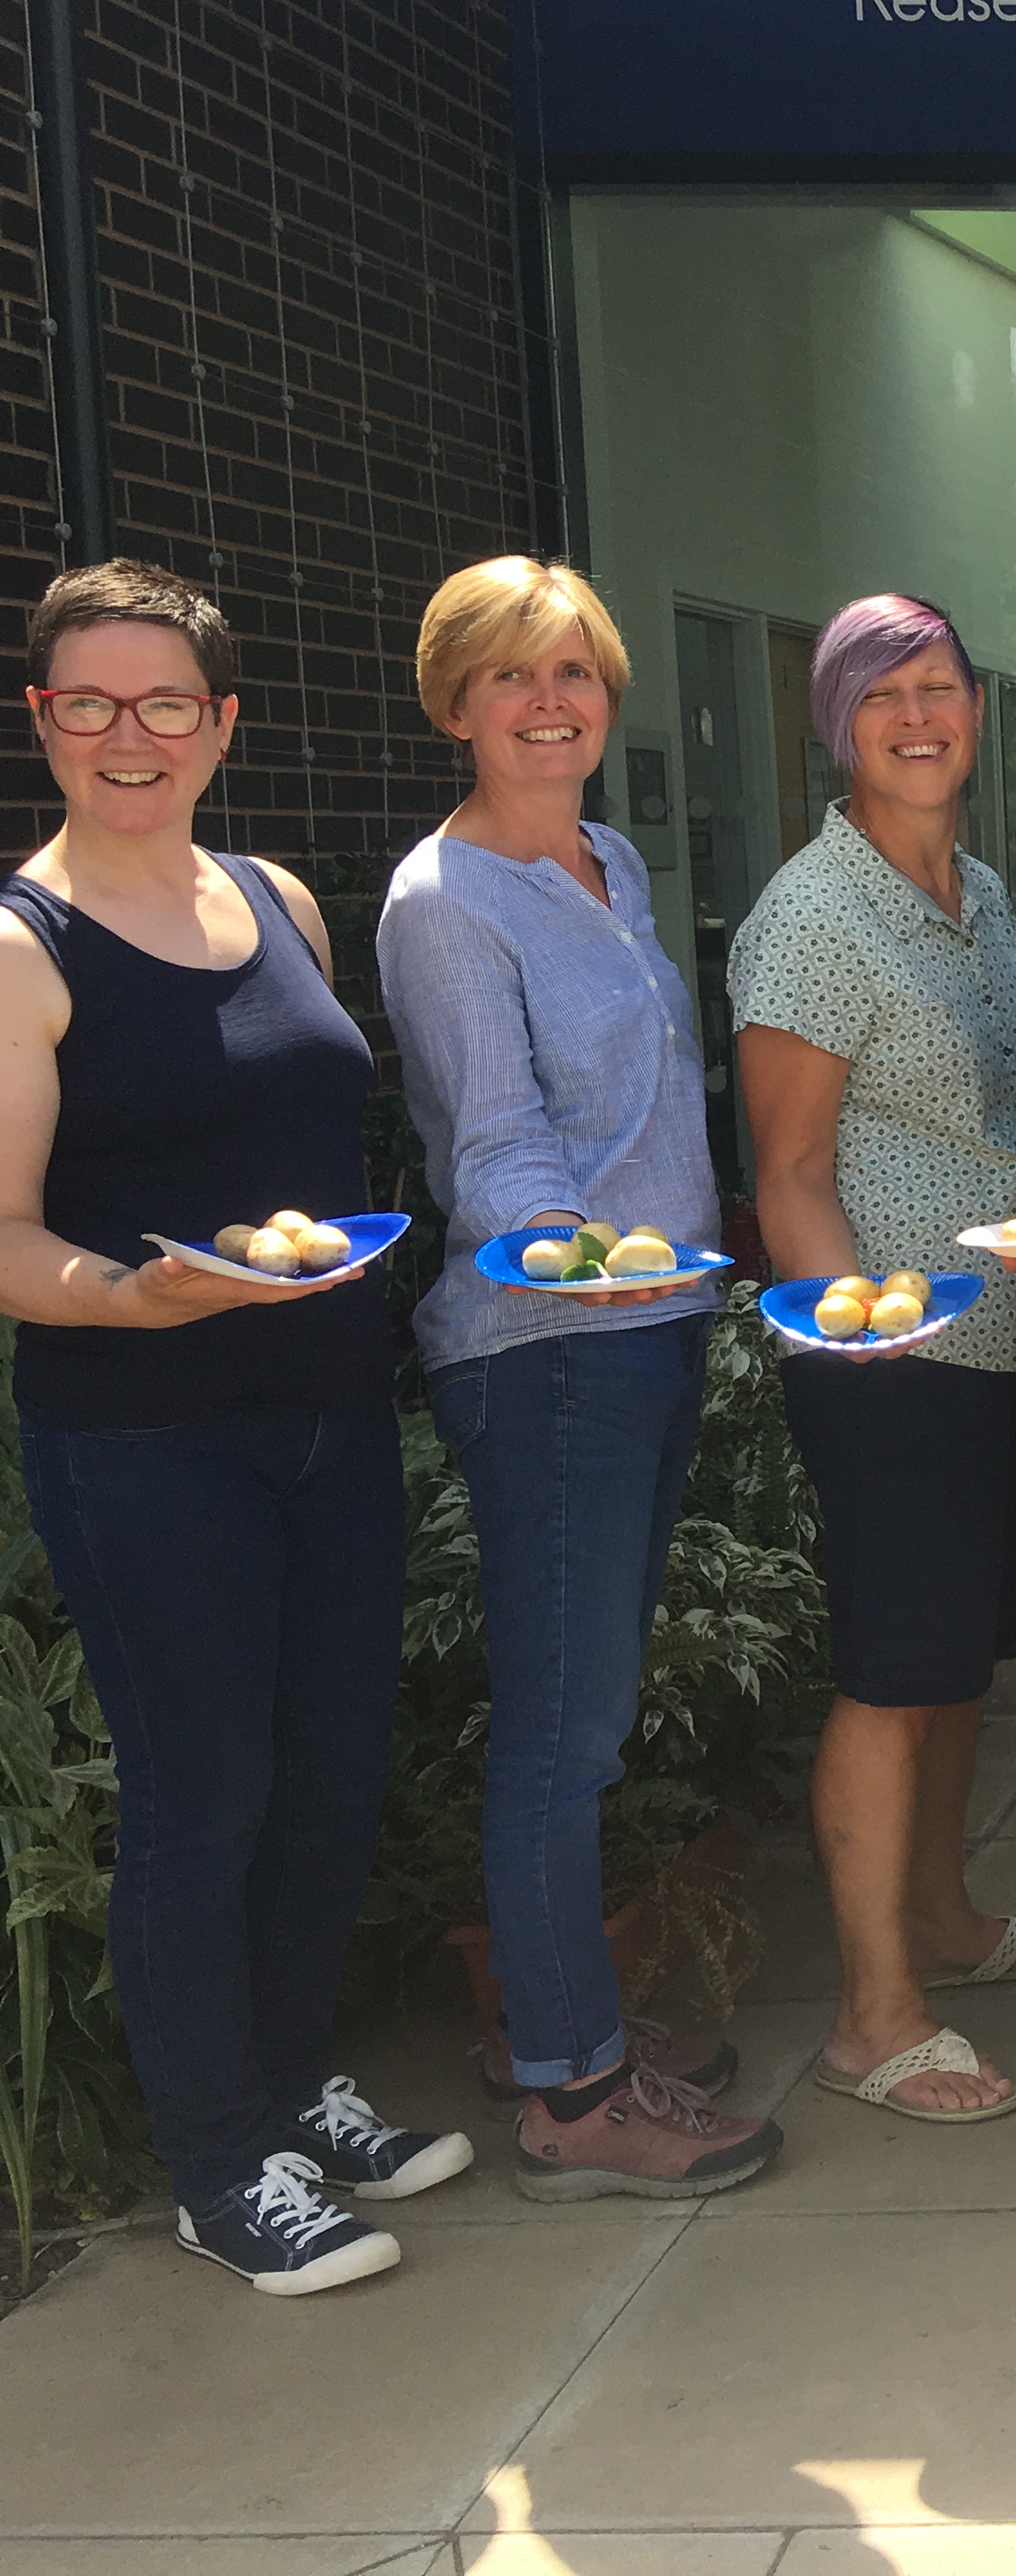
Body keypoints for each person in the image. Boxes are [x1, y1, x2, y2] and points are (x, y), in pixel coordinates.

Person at [0, 562, 464, 2295]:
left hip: (326, 1411)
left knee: (332, 1773)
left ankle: (286, 2089)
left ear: (222, 724)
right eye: (90, 703)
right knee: (204, 1797)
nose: (129, 736)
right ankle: (218, 2166)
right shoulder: (23, 948)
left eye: (166, 704)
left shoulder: (276, 900)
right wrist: (135, 1295)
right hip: (145, 1435)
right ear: (43, 720)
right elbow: (4, 1235)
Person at [380, 558, 779, 2199]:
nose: (548, 703)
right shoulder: (444, 900)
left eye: (573, 673)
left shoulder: (607, 861)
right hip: (550, 1355)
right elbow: (498, 1151)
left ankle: (553, 2021)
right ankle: (571, 2095)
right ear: (455, 704)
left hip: (651, 1330)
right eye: (510, 677)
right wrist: (589, 1259)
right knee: (567, 1730)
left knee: (586, 1715)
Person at [732, 595, 1016, 2128]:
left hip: (1010, 1339)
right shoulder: (812, 916)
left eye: (939, 686)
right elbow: (787, 1171)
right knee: (895, 1674)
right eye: (881, 693)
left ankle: (947, 1922)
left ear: (973, 709)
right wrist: (863, 1352)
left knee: (960, 1660)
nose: (916, 715)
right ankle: (871, 2016)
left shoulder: (977, 892)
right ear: (838, 724)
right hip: (894, 1356)